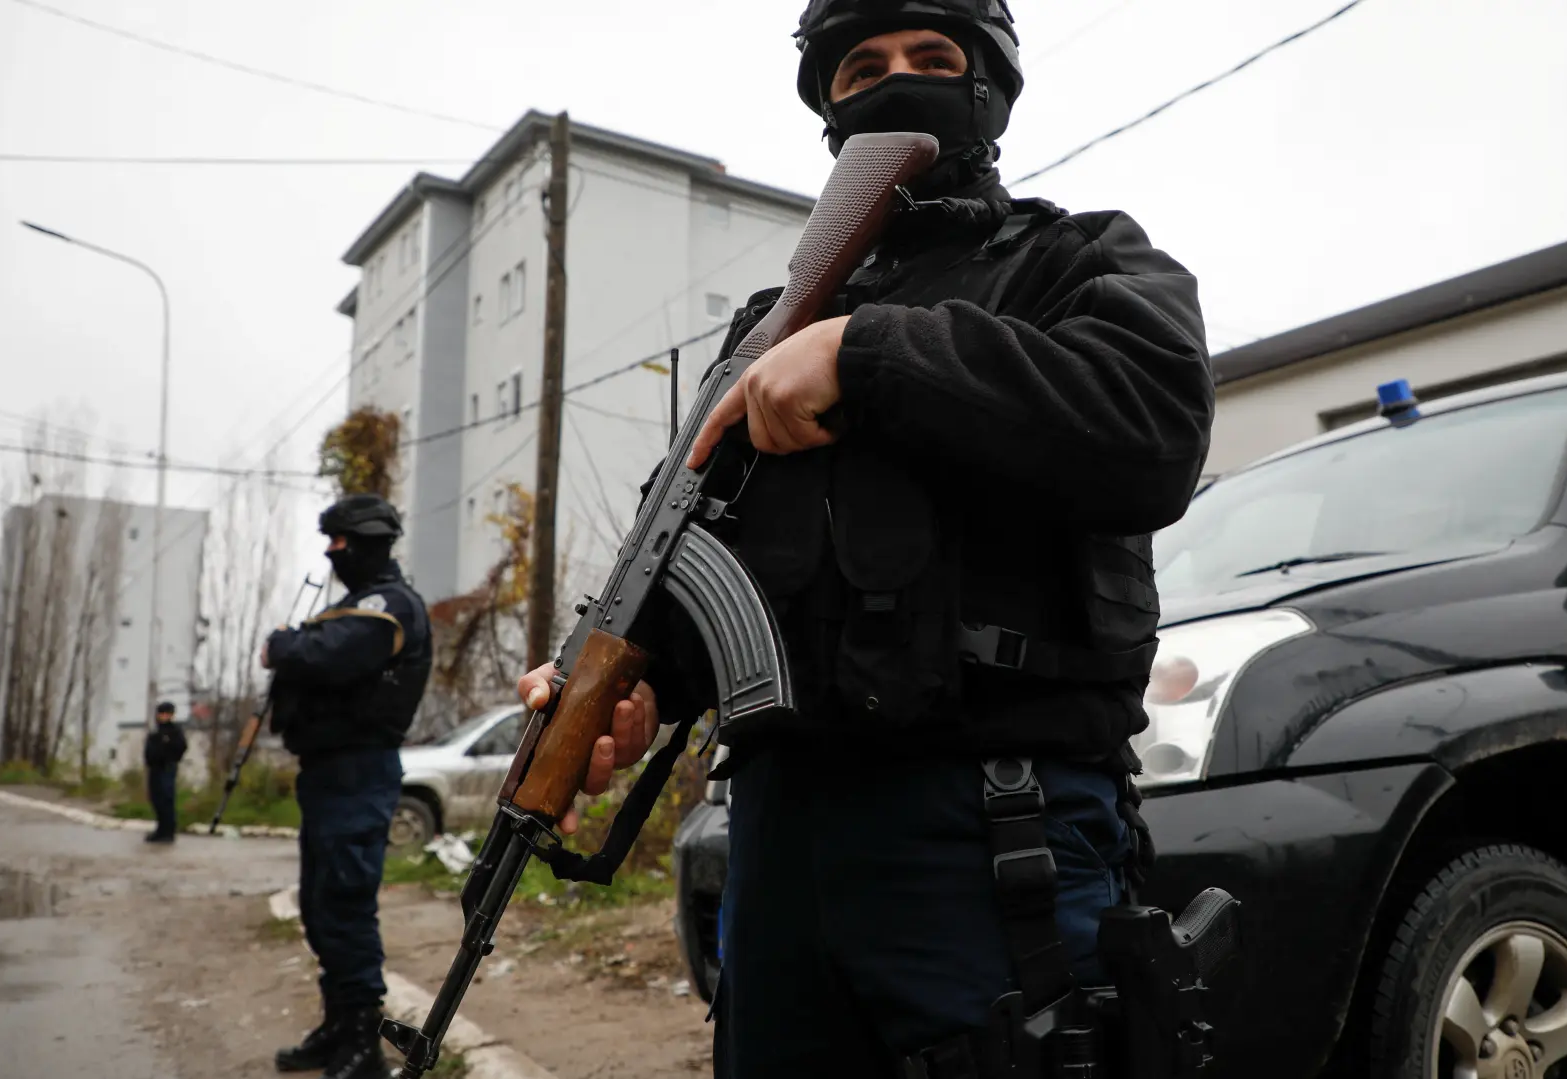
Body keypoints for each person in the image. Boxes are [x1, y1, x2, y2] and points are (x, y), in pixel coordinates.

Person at [518, 3, 1214, 1076]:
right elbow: (720, 559)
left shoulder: (1079, 260)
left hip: (994, 836)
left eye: (933, 59)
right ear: (828, 111)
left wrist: (870, 351)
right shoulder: (769, 326)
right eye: (862, 68)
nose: (898, 78)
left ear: (988, 89)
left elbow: (1155, 428)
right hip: (780, 848)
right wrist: (648, 684)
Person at [261, 494, 432, 1079]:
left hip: (360, 769)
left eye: (339, 543)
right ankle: (339, 1025)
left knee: (344, 903)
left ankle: (363, 1042)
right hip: (329, 771)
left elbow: (327, 656)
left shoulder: (389, 603)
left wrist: (285, 646)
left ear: (366, 542)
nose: (333, 553)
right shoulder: (356, 603)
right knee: (319, 905)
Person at [141, 700, 186, 844]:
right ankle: (160, 830)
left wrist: (168, 754)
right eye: (162, 714)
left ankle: (168, 832)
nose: (164, 717)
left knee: (167, 799)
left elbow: (180, 747)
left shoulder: (175, 731)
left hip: (167, 768)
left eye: (167, 714)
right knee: (156, 800)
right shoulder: (155, 733)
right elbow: (149, 750)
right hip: (155, 768)